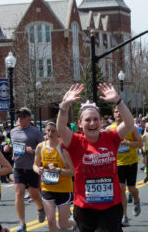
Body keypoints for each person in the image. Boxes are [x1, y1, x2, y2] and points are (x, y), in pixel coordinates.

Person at [56, 83, 134, 232]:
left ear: (101, 121)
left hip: (111, 206)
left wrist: (118, 101)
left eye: (95, 119)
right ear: (80, 124)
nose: (92, 123)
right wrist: (64, 105)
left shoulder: (110, 138)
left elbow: (129, 123)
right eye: (87, 120)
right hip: (84, 207)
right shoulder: (76, 142)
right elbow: (60, 128)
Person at [33, 122, 76, 232]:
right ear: (45, 131)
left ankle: (75, 223)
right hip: (47, 188)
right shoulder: (40, 147)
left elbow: (73, 171)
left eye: (53, 130)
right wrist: (39, 170)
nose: (50, 133)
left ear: (58, 132)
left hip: (64, 189)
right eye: (48, 130)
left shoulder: (63, 148)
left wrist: (58, 170)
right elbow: (35, 165)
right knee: (51, 221)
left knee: (63, 224)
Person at [9, 107, 45, 232]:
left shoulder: (35, 132)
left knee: (34, 195)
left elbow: (44, 148)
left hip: (31, 168)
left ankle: (41, 208)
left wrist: (33, 151)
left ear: (29, 117)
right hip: (18, 167)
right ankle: (22, 223)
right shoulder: (13, 131)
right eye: (18, 116)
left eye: (23, 116)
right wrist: (11, 151)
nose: (20, 118)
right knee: (19, 194)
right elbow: (15, 146)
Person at [107, 106, 143, 227]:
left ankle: (137, 200)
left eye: (120, 111)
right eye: (116, 111)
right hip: (117, 163)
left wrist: (128, 143)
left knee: (131, 189)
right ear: (113, 114)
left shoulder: (131, 127)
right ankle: (124, 216)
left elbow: (140, 143)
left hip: (131, 162)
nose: (118, 113)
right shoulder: (109, 129)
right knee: (121, 189)